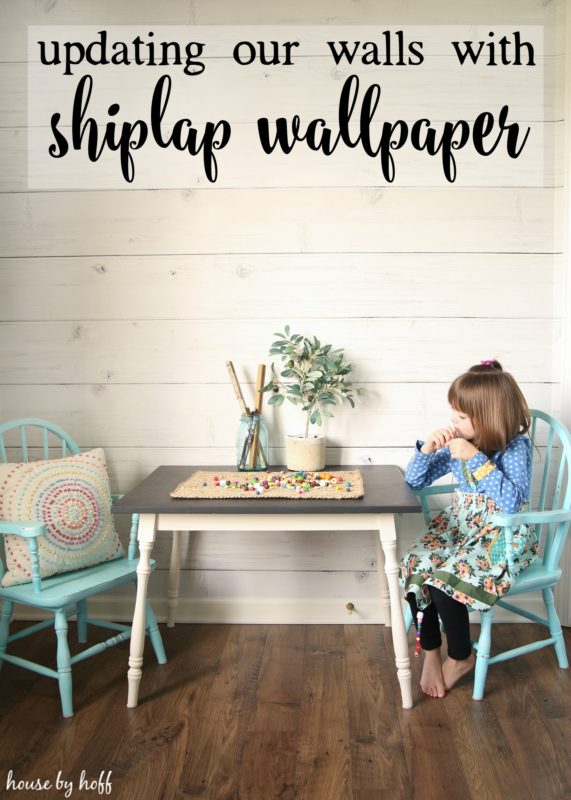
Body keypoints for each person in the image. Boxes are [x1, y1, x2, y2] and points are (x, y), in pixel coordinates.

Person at [399, 360, 538, 698]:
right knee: (417, 565)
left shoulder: (515, 448)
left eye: (460, 417)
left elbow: (513, 502)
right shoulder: (457, 443)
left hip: (499, 536)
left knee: (445, 582)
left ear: (488, 417)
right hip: (460, 527)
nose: (453, 423)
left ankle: (461, 656)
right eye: (453, 415)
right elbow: (414, 481)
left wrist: (476, 457)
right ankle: (431, 650)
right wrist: (428, 449)